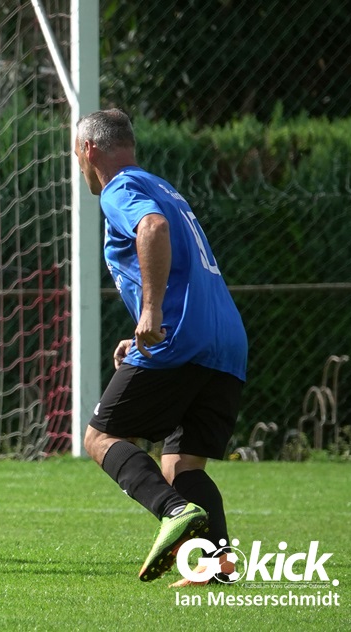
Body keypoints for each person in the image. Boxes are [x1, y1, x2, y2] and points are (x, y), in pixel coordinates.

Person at [74, 108, 247, 585]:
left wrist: (150, 313)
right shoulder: (164, 187)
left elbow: (151, 228)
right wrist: (142, 324)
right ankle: (216, 566)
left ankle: (174, 512)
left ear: (89, 149)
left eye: (76, 153)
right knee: (181, 463)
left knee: (100, 438)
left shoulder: (120, 188)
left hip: (180, 337)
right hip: (226, 340)